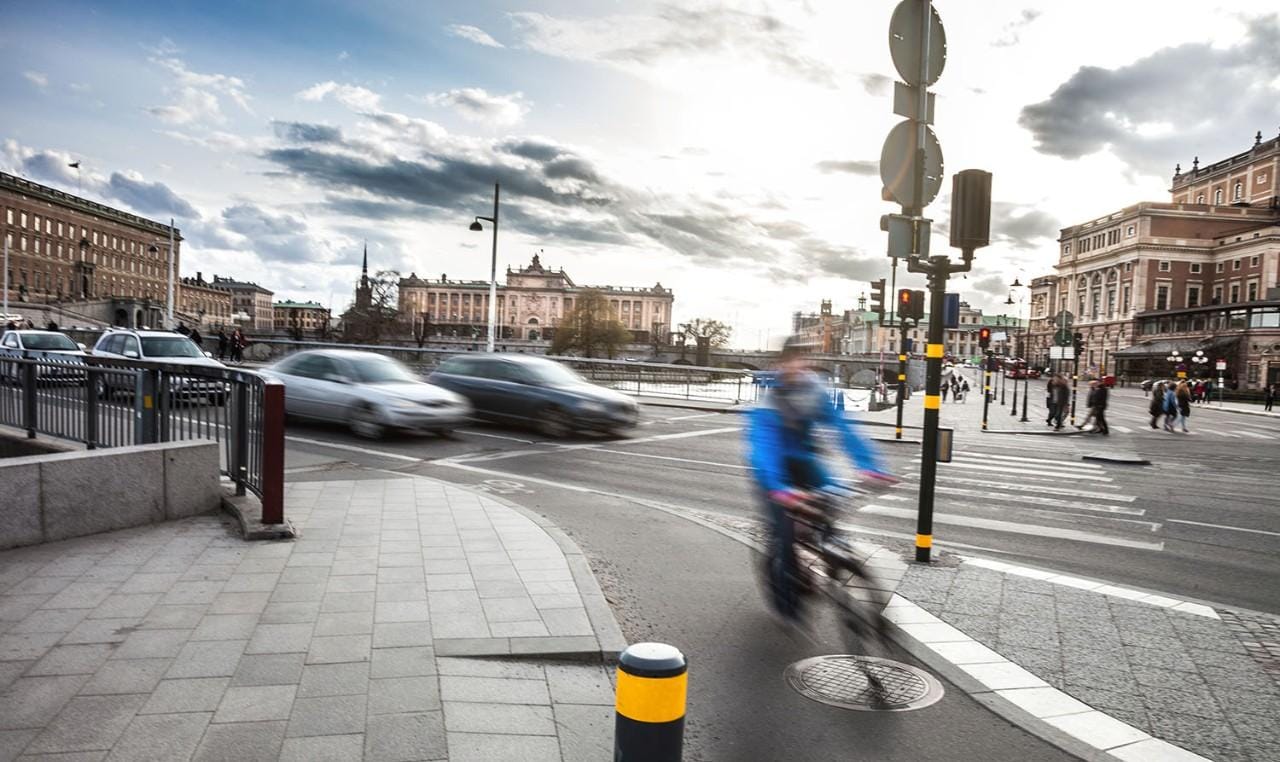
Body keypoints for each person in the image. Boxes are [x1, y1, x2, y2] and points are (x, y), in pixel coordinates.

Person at [745, 337, 893, 623]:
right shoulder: (768, 403)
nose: (796, 367)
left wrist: (869, 467)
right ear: (780, 364)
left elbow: (843, 429)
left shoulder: (814, 391)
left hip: (805, 460)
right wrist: (779, 490)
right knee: (785, 535)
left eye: (801, 360)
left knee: (828, 508)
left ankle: (834, 552)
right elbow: (764, 450)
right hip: (775, 470)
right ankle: (788, 604)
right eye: (790, 360)